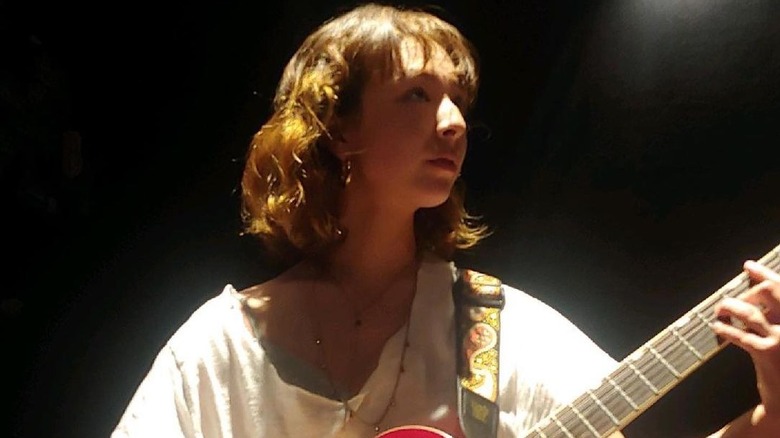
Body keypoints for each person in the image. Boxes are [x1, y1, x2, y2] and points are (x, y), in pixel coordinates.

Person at [110, 3, 780, 437]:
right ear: (338, 129)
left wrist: (773, 406)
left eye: (458, 99)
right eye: (417, 96)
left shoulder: (491, 329)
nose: (455, 123)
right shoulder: (221, 347)